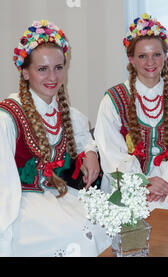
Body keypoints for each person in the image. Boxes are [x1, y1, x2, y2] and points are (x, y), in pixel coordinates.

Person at [0, 20, 110, 256]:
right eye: (42, 69)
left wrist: (90, 152)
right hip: (21, 206)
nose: (52, 76)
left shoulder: (67, 114)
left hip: (58, 197)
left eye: (59, 67)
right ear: (25, 72)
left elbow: (83, 137)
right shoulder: (7, 117)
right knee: (79, 234)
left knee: (105, 224)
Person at [94, 13, 168, 213]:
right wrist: (142, 182)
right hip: (128, 181)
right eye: (142, 56)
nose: (150, 62)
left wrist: (166, 178)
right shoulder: (113, 100)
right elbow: (111, 152)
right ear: (131, 59)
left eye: (156, 54)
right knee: (133, 210)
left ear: (165, 55)